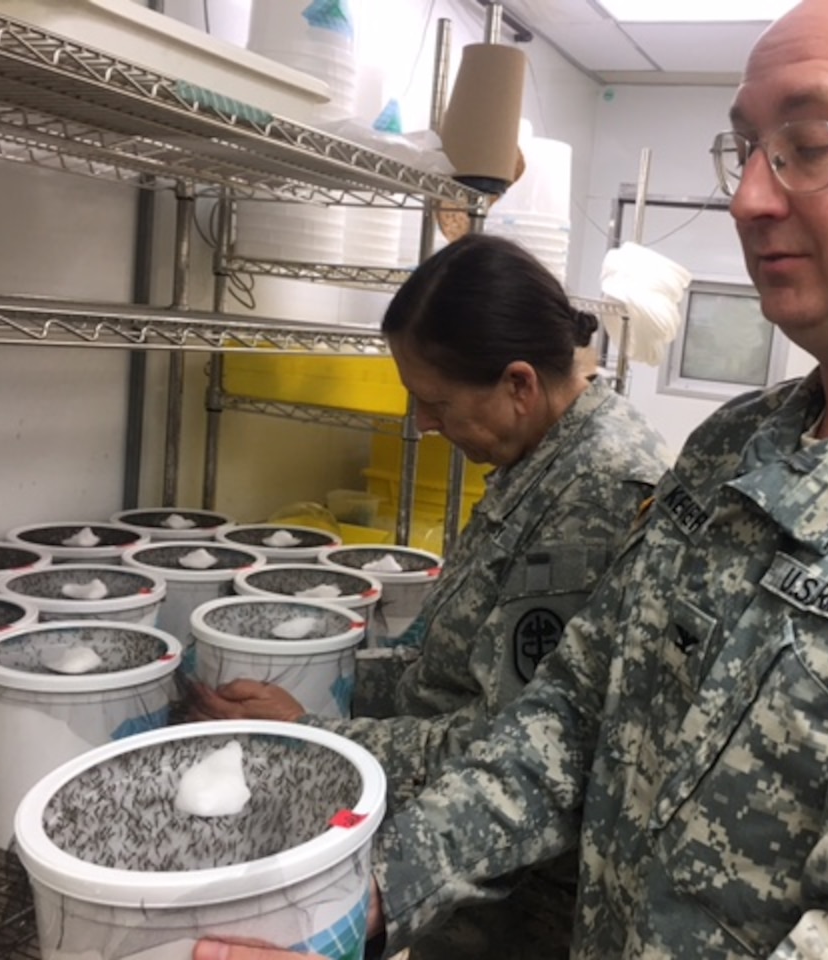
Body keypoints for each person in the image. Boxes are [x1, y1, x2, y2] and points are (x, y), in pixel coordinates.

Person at [197, 0, 828, 957]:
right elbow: (574, 717)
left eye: (810, 139)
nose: (748, 194)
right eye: (743, 147)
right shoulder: (731, 451)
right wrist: (370, 891)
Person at [192, 232, 671, 960]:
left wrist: (321, 736)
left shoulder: (598, 492)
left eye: (435, 402)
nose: (423, 424)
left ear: (518, 384)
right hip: (449, 854)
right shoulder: (541, 452)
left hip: (510, 893)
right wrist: (337, 689)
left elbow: (516, 743)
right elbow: (452, 671)